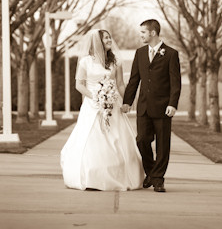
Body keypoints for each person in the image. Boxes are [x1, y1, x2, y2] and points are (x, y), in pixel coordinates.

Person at [60, 29, 144, 191]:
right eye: (105, 37)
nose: (109, 40)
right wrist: (95, 97)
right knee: (92, 139)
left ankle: (117, 175)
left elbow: (120, 83)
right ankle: (91, 176)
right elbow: (79, 85)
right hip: (92, 106)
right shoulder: (85, 62)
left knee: (117, 138)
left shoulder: (115, 61)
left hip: (113, 104)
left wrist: (127, 101)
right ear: (97, 41)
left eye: (109, 37)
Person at [122, 19, 181, 193]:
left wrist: (173, 104)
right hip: (144, 107)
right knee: (141, 140)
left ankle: (158, 180)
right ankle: (151, 172)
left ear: (152, 33)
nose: (140, 35)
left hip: (163, 108)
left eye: (143, 32)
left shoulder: (171, 54)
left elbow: (175, 83)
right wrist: (127, 101)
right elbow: (134, 80)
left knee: (163, 145)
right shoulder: (139, 53)